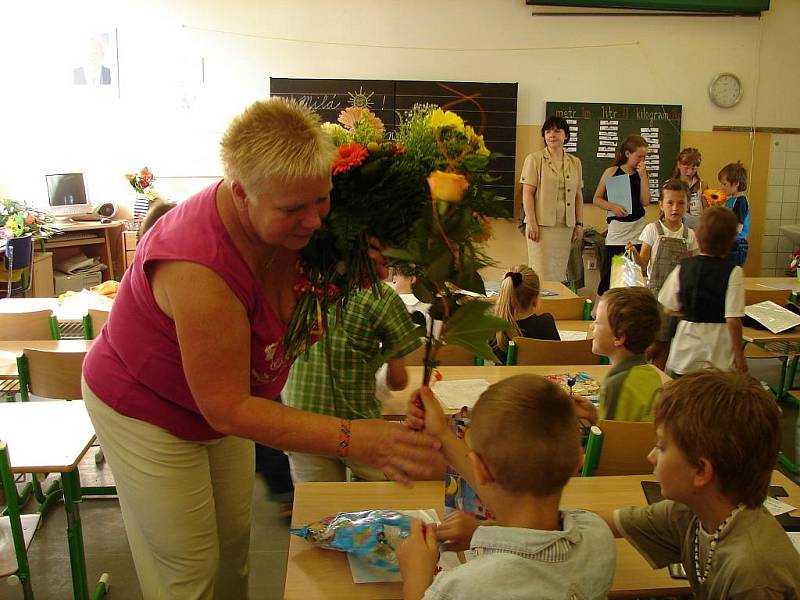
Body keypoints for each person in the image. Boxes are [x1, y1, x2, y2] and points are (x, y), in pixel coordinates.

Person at [80, 98, 441, 598]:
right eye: (294, 209)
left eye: (322, 199)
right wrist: (355, 438)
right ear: (241, 194)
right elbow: (227, 408)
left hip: (223, 405)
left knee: (233, 547)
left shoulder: (300, 212)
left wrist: (355, 267)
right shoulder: (197, 268)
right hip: (146, 408)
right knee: (188, 571)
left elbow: (315, 280)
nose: (315, 221)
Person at [400, 375, 615, 600]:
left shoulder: (463, 588)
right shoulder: (598, 536)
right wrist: (441, 434)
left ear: (479, 468)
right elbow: (497, 485)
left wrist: (415, 577)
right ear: (578, 462)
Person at [610, 370, 800, 598]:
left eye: (661, 447)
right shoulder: (694, 513)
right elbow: (611, 522)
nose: (651, 456)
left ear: (700, 471)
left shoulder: (753, 576)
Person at [282, 281, 421, 482]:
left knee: (318, 506)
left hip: (303, 418)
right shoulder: (380, 296)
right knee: (380, 502)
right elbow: (398, 381)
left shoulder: (298, 286)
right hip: (359, 424)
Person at [658, 206, 747, 376]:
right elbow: (733, 320)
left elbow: (668, 308)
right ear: (731, 239)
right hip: (717, 353)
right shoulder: (734, 272)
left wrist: (691, 309)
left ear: (697, 236)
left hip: (685, 351)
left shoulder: (683, 267)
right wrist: (740, 356)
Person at [627, 179, 698, 369]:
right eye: (670, 203)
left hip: (678, 298)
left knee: (668, 344)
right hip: (656, 297)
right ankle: (638, 370)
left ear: (688, 205)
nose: (675, 208)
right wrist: (634, 252)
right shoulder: (652, 230)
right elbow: (642, 265)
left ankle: (658, 380)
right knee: (653, 342)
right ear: (661, 205)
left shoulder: (689, 235)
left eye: (681, 203)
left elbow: (692, 268)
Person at [573, 287, 663, 424]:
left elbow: (610, 438)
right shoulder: (652, 374)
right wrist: (593, 414)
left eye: (597, 322)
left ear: (619, 337)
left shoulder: (615, 384)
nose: (591, 326)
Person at [520, 115, 584, 282]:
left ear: (566, 135)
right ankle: (540, 306)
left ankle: (555, 307)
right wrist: (532, 222)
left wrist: (579, 224)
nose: (552, 135)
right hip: (540, 226)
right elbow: (527, 193)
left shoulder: (575, 162)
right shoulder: (534, 159)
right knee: (540, 272)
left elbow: (578, 195)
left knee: (559, 273)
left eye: (557, 131)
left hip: (565, 226)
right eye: (547, 132)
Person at [593, 135, 652, 298]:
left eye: (644, 157)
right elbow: (596, 199)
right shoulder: (612, 172)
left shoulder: (642, 174)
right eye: (639, 156)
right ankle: (601, 308)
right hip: (618, 230)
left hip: (637, 229)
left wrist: (643, 176)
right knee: (611, 275)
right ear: (627, 154)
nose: (642, 160)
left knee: (631, 276)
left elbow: (645, 201)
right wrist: (613, 206)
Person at [491, 265, 559, 364]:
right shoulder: (546, 323)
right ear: (535, 300)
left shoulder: (495, 329)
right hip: (540, 379)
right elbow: (558, 357)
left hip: (506, 379)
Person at [719, 161, 750, 267]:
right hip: (730, 242)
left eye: (724, 184)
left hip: (736, 244)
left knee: (731, 271)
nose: (722, 187)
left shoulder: (740, 201)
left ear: (736, 183)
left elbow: (738, 226)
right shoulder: (730, 200)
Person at [672, 147, 707, 230]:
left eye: (693, 169)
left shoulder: (702, 185)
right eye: (686, 168)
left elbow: (707, 211)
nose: (689, 172)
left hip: (696, 229)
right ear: (679, 165)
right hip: (676, 228)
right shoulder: (670, 185)